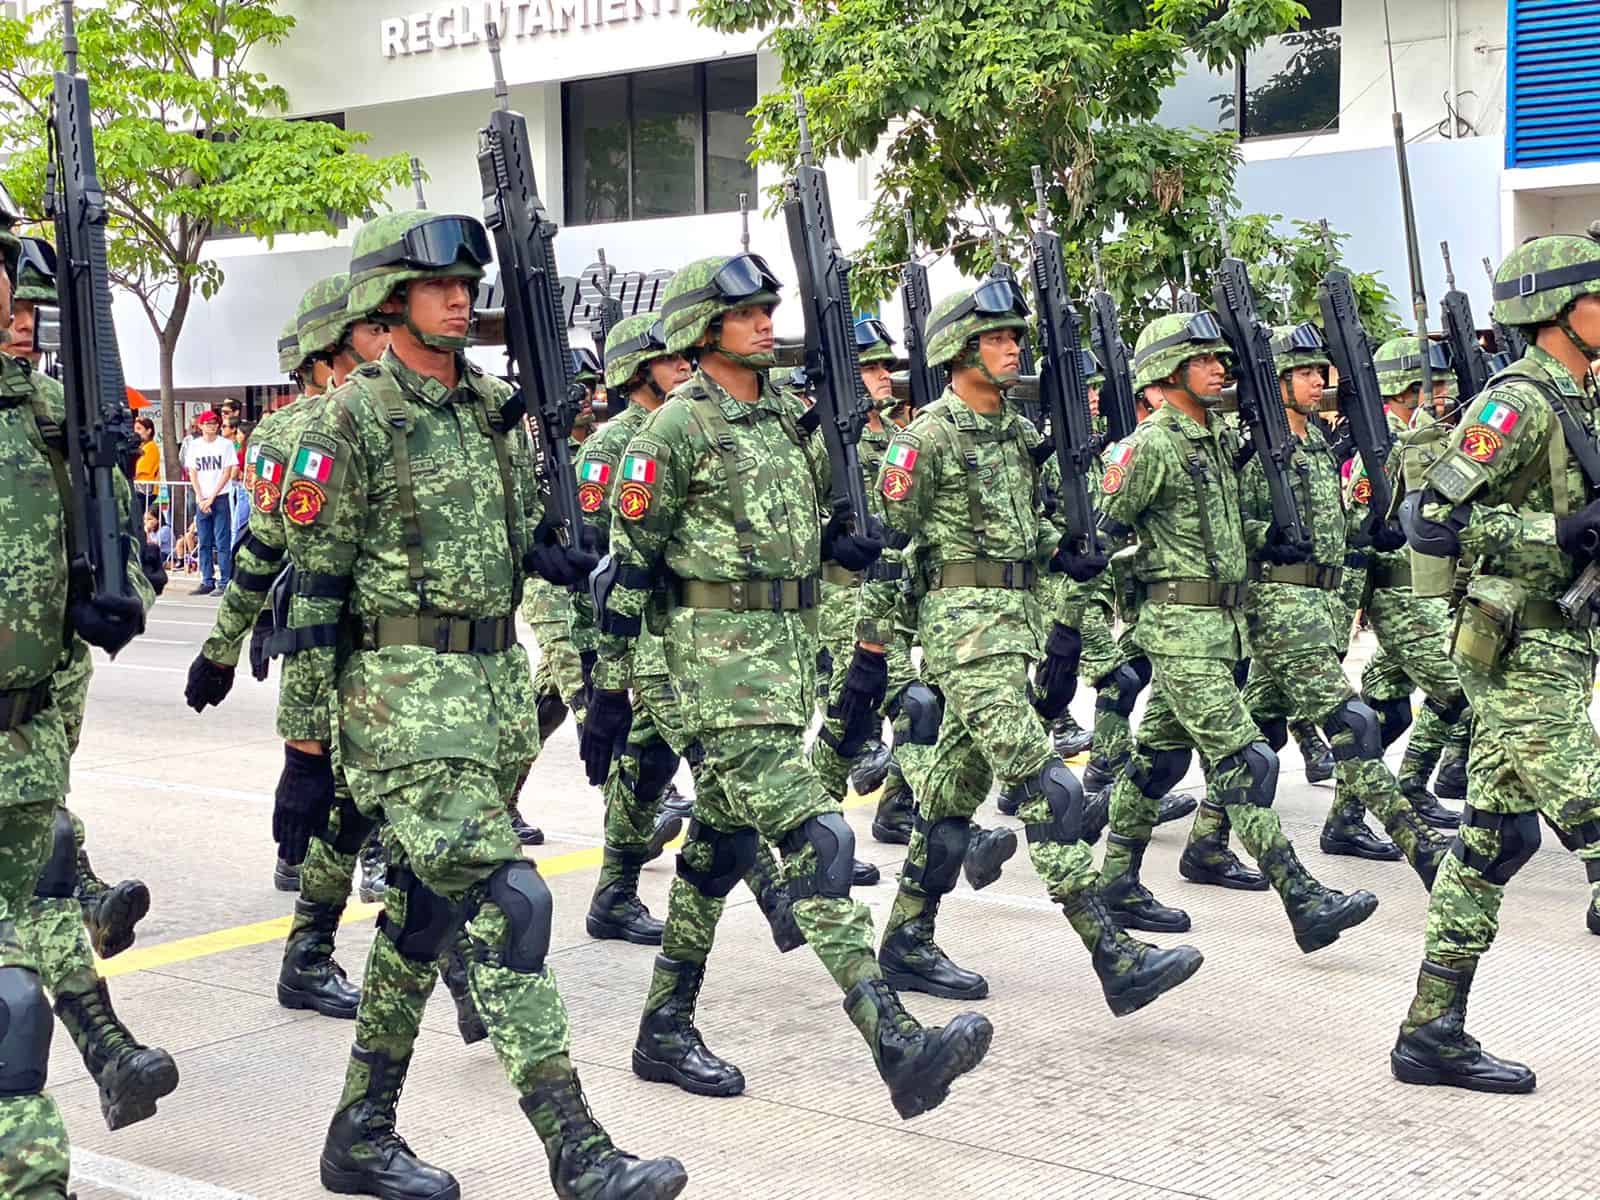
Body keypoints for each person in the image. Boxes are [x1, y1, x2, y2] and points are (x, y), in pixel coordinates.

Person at [275, 210, 684, 1199]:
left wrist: (556, 542)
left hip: (494, 695)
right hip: (401, 700)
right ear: (389, 299)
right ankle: (578, 1150)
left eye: (468, 282)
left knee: (421, 920)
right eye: (436, 284)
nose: (460, 296)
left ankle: (360, 1136)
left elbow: (529, 537)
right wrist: (304, 745)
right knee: (509, 902)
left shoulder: (498, 407)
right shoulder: (350, 419)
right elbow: (316, 590)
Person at [586, 254, 992, 1120]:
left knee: (713, 857)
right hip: (711, 674)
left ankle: (663, 1028)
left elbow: (802, 528)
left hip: (781, 664)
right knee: (820, 842)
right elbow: (629, 573)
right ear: (703, 330)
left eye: (770, 309)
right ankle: (895, 1040)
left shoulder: (781, 417)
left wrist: (835, 548)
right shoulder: (673, 433)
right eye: (748, 314)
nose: (768, 322)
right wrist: (611, 693)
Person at [866, 283, 1200, 1009]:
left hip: (1010, 627)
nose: (1014, 348)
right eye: (997, 338)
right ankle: (1111, 953)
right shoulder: (925, 438)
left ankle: (906, 942)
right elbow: (890, 549)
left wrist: (1068, 555)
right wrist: (875, 655)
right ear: (957, 352)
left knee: (950, 798)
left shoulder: (1017, 432)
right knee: (1045, 786)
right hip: (961, 633)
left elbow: (1028, 533)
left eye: (1017, 337)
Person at [1074, 311, 1380, 952]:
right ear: (1166, 371)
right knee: (1247, 758)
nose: (1221, 368)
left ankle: (1117, 882)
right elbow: (1093, 538)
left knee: (1158, 762)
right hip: (1178, 629)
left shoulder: (1212, 440)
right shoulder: (1150, 446)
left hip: (1221, 628)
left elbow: (1219, 532)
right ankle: (1300, 895)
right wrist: (1081, 633)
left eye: (1220, 357)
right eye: (1204, 359)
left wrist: (1263, 540)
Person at [1391, 229, 1600, 1092]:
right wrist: (1548, 531)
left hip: (1563, 638)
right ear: (1558, 311)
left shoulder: (1583, 400)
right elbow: (1427, 515)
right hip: (1515, 647)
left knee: (1491, 842)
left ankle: (1431, 1033)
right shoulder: (1515, 404)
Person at [0, 224, 161, 1196]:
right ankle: (106, 1044)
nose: (16, 316)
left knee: (15, 1003)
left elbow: (123, 556)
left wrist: (118, 592)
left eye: (23, 301)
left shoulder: (57, 421)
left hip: (19, 750)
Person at [1232, 324, 1447, 897]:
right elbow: (1225, 527)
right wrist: (1265, 534)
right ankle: (1416, 843)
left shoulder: (1319, 444)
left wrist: (1367, 530)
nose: (1316, 381)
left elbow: (1334, 523)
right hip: (1279, 602)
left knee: (1259, 734)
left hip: (1320, 601)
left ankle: (1206, 840)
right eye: (1303, 373)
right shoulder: (1254, 450)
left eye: (1318, 372)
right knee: (1355, 722)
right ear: (1275, 382)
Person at [571, 313, 694, 944]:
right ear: (635, 370)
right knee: (719, 762)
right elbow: (598, 556)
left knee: (649, 763)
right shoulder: (610, 445)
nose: (683, 364)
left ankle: (614, 896)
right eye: (669, 358)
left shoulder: (690, 428)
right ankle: (790, 899)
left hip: (682, 629)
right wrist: (599, 660)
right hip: (639, 635)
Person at [1345, 336, 1469, 832]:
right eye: (1433, 386)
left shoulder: (1433, 438)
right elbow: (1356, 525)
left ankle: (1348, 816)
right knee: (1458, 690)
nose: (1444, 395)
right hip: (1399, 595)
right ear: (1403, 389)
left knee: (1385, 711)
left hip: (1428, 594)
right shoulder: (1383, 445)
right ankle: (1413, 785)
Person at [182, 409, 236, 595]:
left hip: (220, 496)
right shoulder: (195, 446)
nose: (211, 426)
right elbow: (193, 472)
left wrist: (212, 496)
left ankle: (225, 580)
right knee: (203, 540)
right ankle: (207, 579)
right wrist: (200, 496)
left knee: (222, 540)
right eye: (208, 423)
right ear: (201, 426)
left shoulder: (226, 445)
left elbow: (227, 472)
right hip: (202, 497)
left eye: (214, 423)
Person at [133, 416, 160, 484]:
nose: (135, 432)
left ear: (148, 431)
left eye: (139, 429)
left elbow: (138, 469)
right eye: (134, 429)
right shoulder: (142, 446)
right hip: (141, 486)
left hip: (146, 488)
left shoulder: (150, 447)